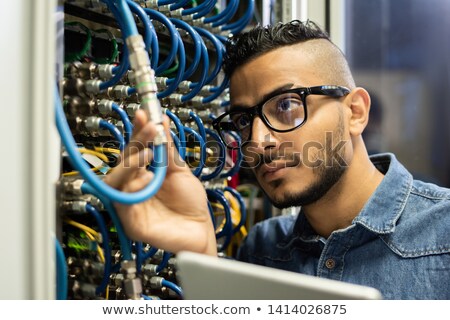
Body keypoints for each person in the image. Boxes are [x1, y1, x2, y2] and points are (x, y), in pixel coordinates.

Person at [105, 20, 450, 299]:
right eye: (243, 121)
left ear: (355, 113)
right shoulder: (263, 250)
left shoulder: (443, 233)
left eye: (286, 105)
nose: (258, 141)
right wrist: (201, 253)